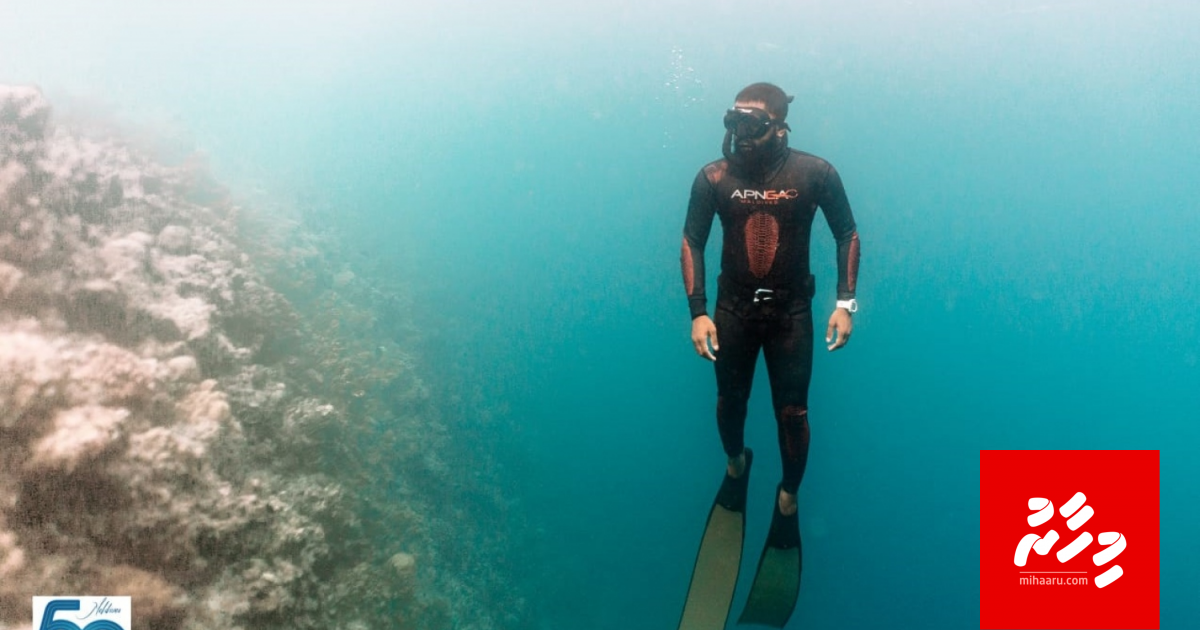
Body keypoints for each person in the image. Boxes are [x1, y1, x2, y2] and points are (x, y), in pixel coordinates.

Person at [681, 81, 860, 517]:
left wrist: (845, 304)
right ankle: (736, 465)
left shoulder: (815, 174)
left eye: (751, 124)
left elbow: (847, 233)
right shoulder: (713, 178)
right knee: (729, 401)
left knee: (793, 414)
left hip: (790, 315)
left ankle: (787, 498)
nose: (740, 134)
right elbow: (692, 241)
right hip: (733, 312)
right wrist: (698, 313)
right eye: (733, 121)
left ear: (780, 128)